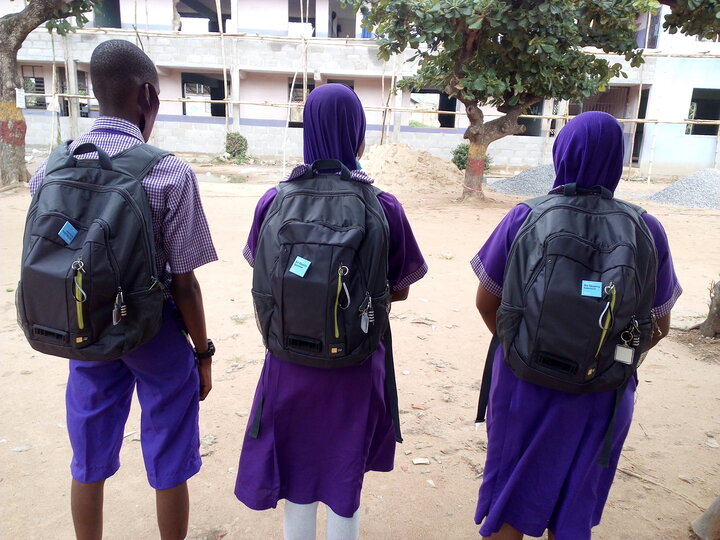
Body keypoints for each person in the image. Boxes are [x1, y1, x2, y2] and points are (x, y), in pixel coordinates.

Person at [28, 39, 217, 540]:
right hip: (152, 331)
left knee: (87, 455)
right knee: (170, 452)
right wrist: (203, 352)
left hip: (84, 329)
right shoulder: (168, 172)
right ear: (148, 97)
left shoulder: (53, 167)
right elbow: (185, 281)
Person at [470, 111, 682, 540]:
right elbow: (658, 326)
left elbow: (487, 303)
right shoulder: (647, 229)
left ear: (561, 152)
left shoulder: (525, 217)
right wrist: (609, 356)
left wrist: (529, 346)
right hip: (603, 395)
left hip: (523, 388)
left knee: (510, 503)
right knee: (572, 512)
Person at [234, 83, 427, 539]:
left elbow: (263, 276)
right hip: (356, 365)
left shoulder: (274, 201)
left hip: (289, 364)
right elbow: (398, 290)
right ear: (358, 135)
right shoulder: (383, 206)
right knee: (344, 476)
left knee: (297, 476)